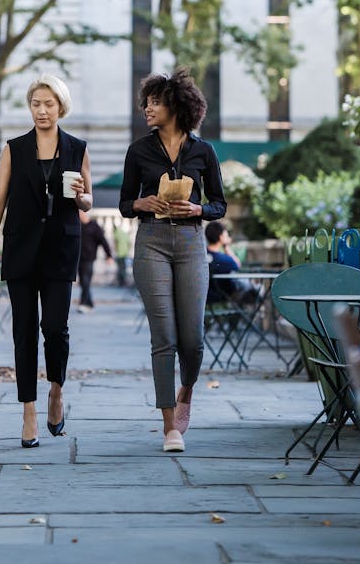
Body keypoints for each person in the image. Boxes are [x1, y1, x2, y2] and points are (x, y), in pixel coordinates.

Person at [0, 74, 92, 448]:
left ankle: (56, 390)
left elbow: (88, 201)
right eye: (36, 104)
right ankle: (28, 412)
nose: (42, 111)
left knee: (55, 328)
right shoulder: (14, 148)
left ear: (61, 106)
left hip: (61, 247)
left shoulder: (77, 148)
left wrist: (81, 198)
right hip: (21, 247)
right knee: (23, 331)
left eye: (49, 104)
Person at [119, 67, 226, 453]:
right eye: (146, 102)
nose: (148, 108)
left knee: (193, 340)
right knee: (163, 338)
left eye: (156, 102)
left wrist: (197, 209)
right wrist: (140, 202)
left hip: (191, 242)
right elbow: (123, 203)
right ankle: (169, 427)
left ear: (177, 106)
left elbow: (219, 204)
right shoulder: (138, 151)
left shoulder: (204, 151)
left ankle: (187, 390)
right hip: (151, 242)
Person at [206, 220, 259, 305]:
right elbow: (237, 264)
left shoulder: (203, 256)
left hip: (207, 295)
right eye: (226, 235)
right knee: (257, 289)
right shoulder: (225, 260)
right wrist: (226, 246)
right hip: (223, 297)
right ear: (221, 237)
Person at [77, 211, 113, 311]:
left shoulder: (94, 226)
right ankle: (89, 303)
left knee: (85, 281)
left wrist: (109, 255)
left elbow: (103, 241)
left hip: (89, 258)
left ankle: (85, 303)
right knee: (82, 282)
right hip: (78, 258)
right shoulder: (78, 225)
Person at [112, 223, 132, 287]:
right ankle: (123, 282)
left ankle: (121, 282)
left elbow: (115, 242)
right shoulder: (124, 233)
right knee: (123, 268)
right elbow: (129, 243)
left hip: (119, 254)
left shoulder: (116, 232)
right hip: (125, 253)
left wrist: (115, 250)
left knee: (120, 268)